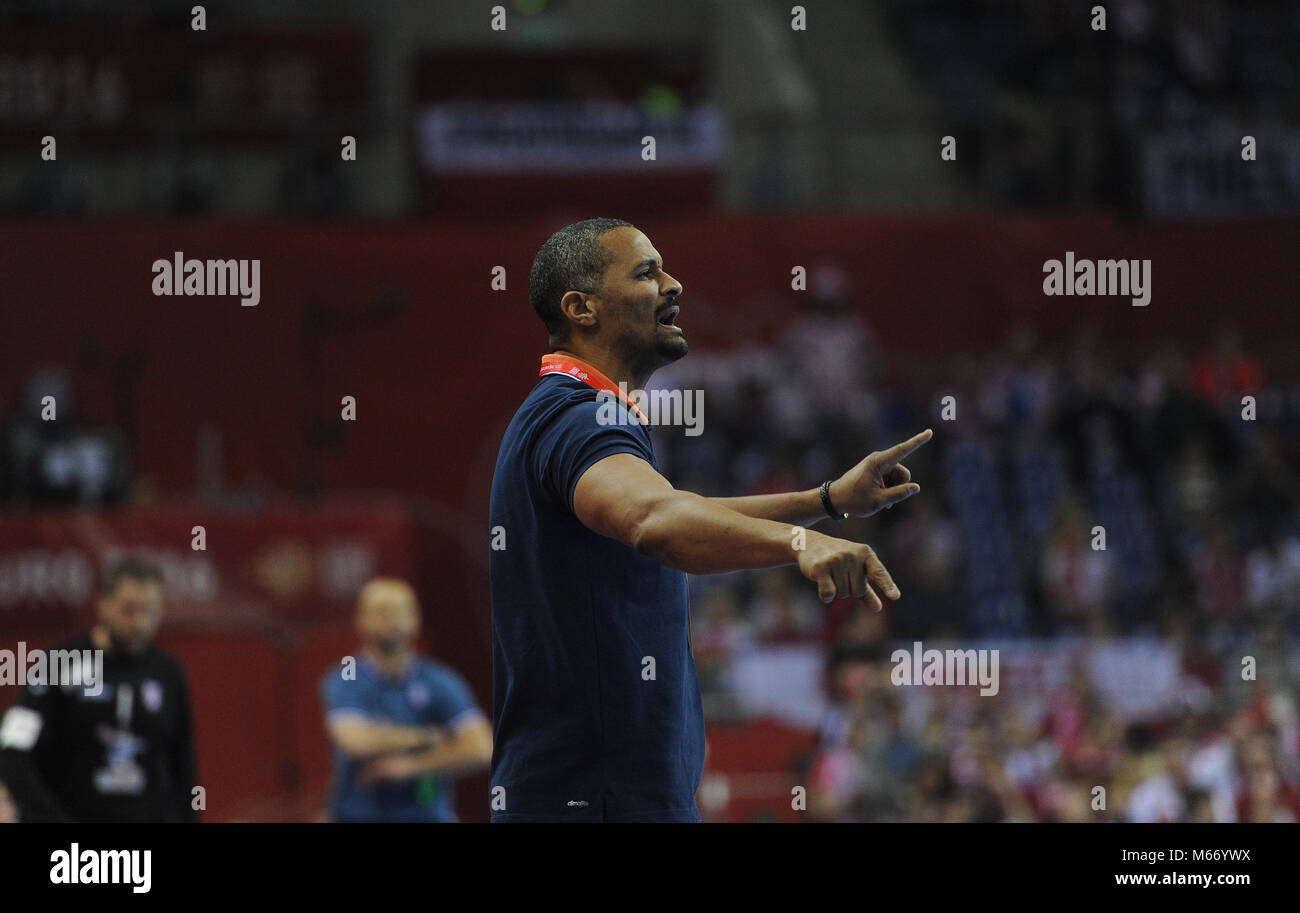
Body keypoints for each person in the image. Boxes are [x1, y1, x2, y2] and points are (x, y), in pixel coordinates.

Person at [488, 217, 930, 822]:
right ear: (581, 307)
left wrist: (826, 500)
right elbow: (656, 520)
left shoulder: (576, 416)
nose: (674, 285)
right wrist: (799, 540)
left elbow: (676, 508)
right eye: (647, 273)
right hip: (596, 803)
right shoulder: (578, 417)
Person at [0, 556, 198, 822]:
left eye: (149, 610)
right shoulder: (61, 662)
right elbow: (13, 750)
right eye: (129, 610)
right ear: (103, 605)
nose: (140, 623)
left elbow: (183, 767)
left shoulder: (168, 673)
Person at [321, 578, 491, 822]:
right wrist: (429, 737)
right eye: (381, 612)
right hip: (359, 816)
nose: (393, 620)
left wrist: (412, 766)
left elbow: (481, 747)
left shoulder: (440, 680)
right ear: (361, 620)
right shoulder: (346, 678)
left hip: (427, 816)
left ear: (416, 619)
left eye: (401, 611)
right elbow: (355, 740)